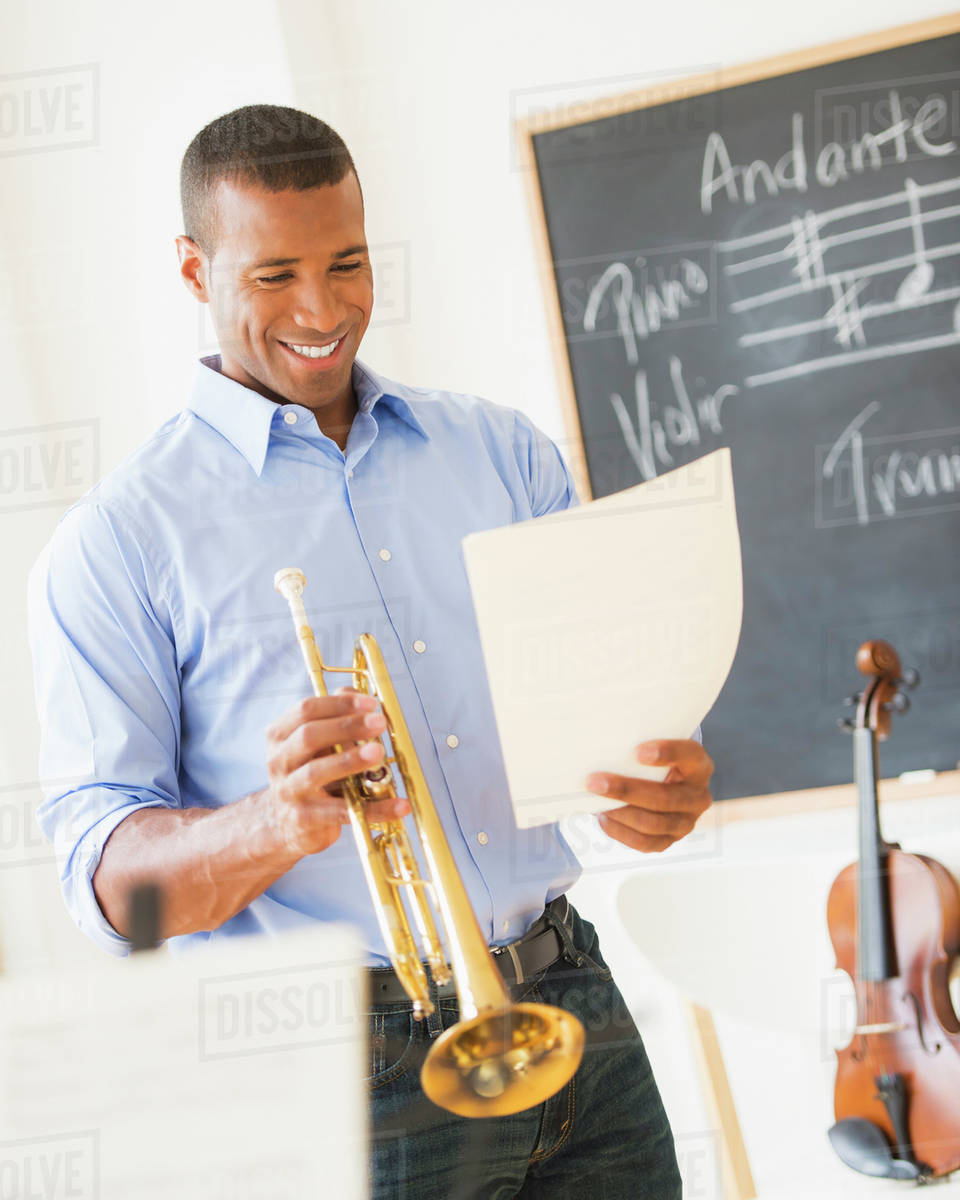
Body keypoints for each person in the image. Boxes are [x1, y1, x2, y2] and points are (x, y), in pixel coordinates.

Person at [28, 104, 713, 1199]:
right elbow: (110, 903)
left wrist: (646, 795)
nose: (323, 309)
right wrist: (271, 823)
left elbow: (588, 733)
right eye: (274, 276)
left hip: (571, 996)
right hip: (345, 1063)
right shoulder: (119, 539)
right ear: (194, 269)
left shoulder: (502, 453)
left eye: (347, 262)